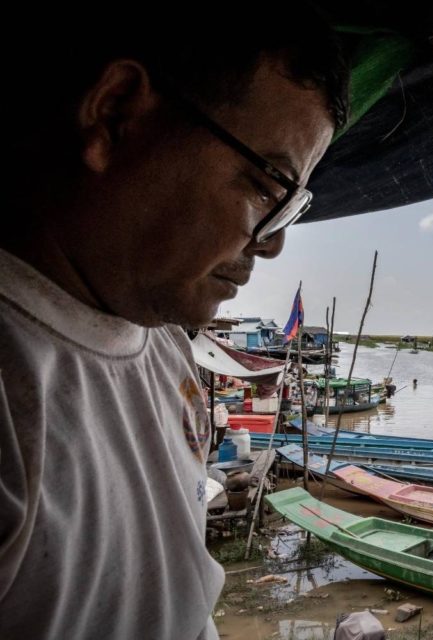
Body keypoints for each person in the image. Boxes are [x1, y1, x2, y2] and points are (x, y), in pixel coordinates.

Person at [1, 6, 348, 639]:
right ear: (116, 114)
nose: (271, 244)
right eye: (265, 185)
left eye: (290, 206)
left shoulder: (166, 351)